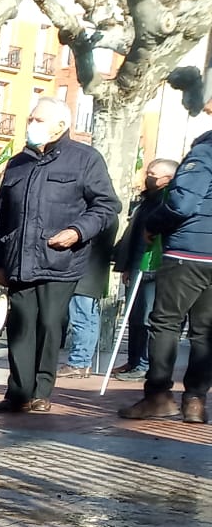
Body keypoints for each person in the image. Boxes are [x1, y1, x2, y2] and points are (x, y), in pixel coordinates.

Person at [0, 97, 121, 414]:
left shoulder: (85, 159)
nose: (31, 124)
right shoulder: (18, 163)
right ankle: (17, 393)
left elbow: (106, 206)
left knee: (49, 325)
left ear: (61, 126)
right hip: (19, 260)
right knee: (20, 328)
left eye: (39, 120)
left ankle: (41, 391)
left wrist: (77, 231)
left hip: (61, 260)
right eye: (31, 119)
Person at [121, 115, 212, 424]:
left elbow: (182, 203)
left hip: (188, 252)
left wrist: (154, 224)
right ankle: (195, 401)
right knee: (204, 333)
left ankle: (158, 396)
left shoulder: (203, 153)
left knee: (165, 324)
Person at [114, 157, 176, 378]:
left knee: (148, 317)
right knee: (134, 315)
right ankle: (133, 361)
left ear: (167, 179)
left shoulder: (169, 201)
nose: (147, 177)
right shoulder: (146, 201)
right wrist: (126, 265)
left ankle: (144, 364)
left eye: (152, 174)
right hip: (137, 264)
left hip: (155, 266)